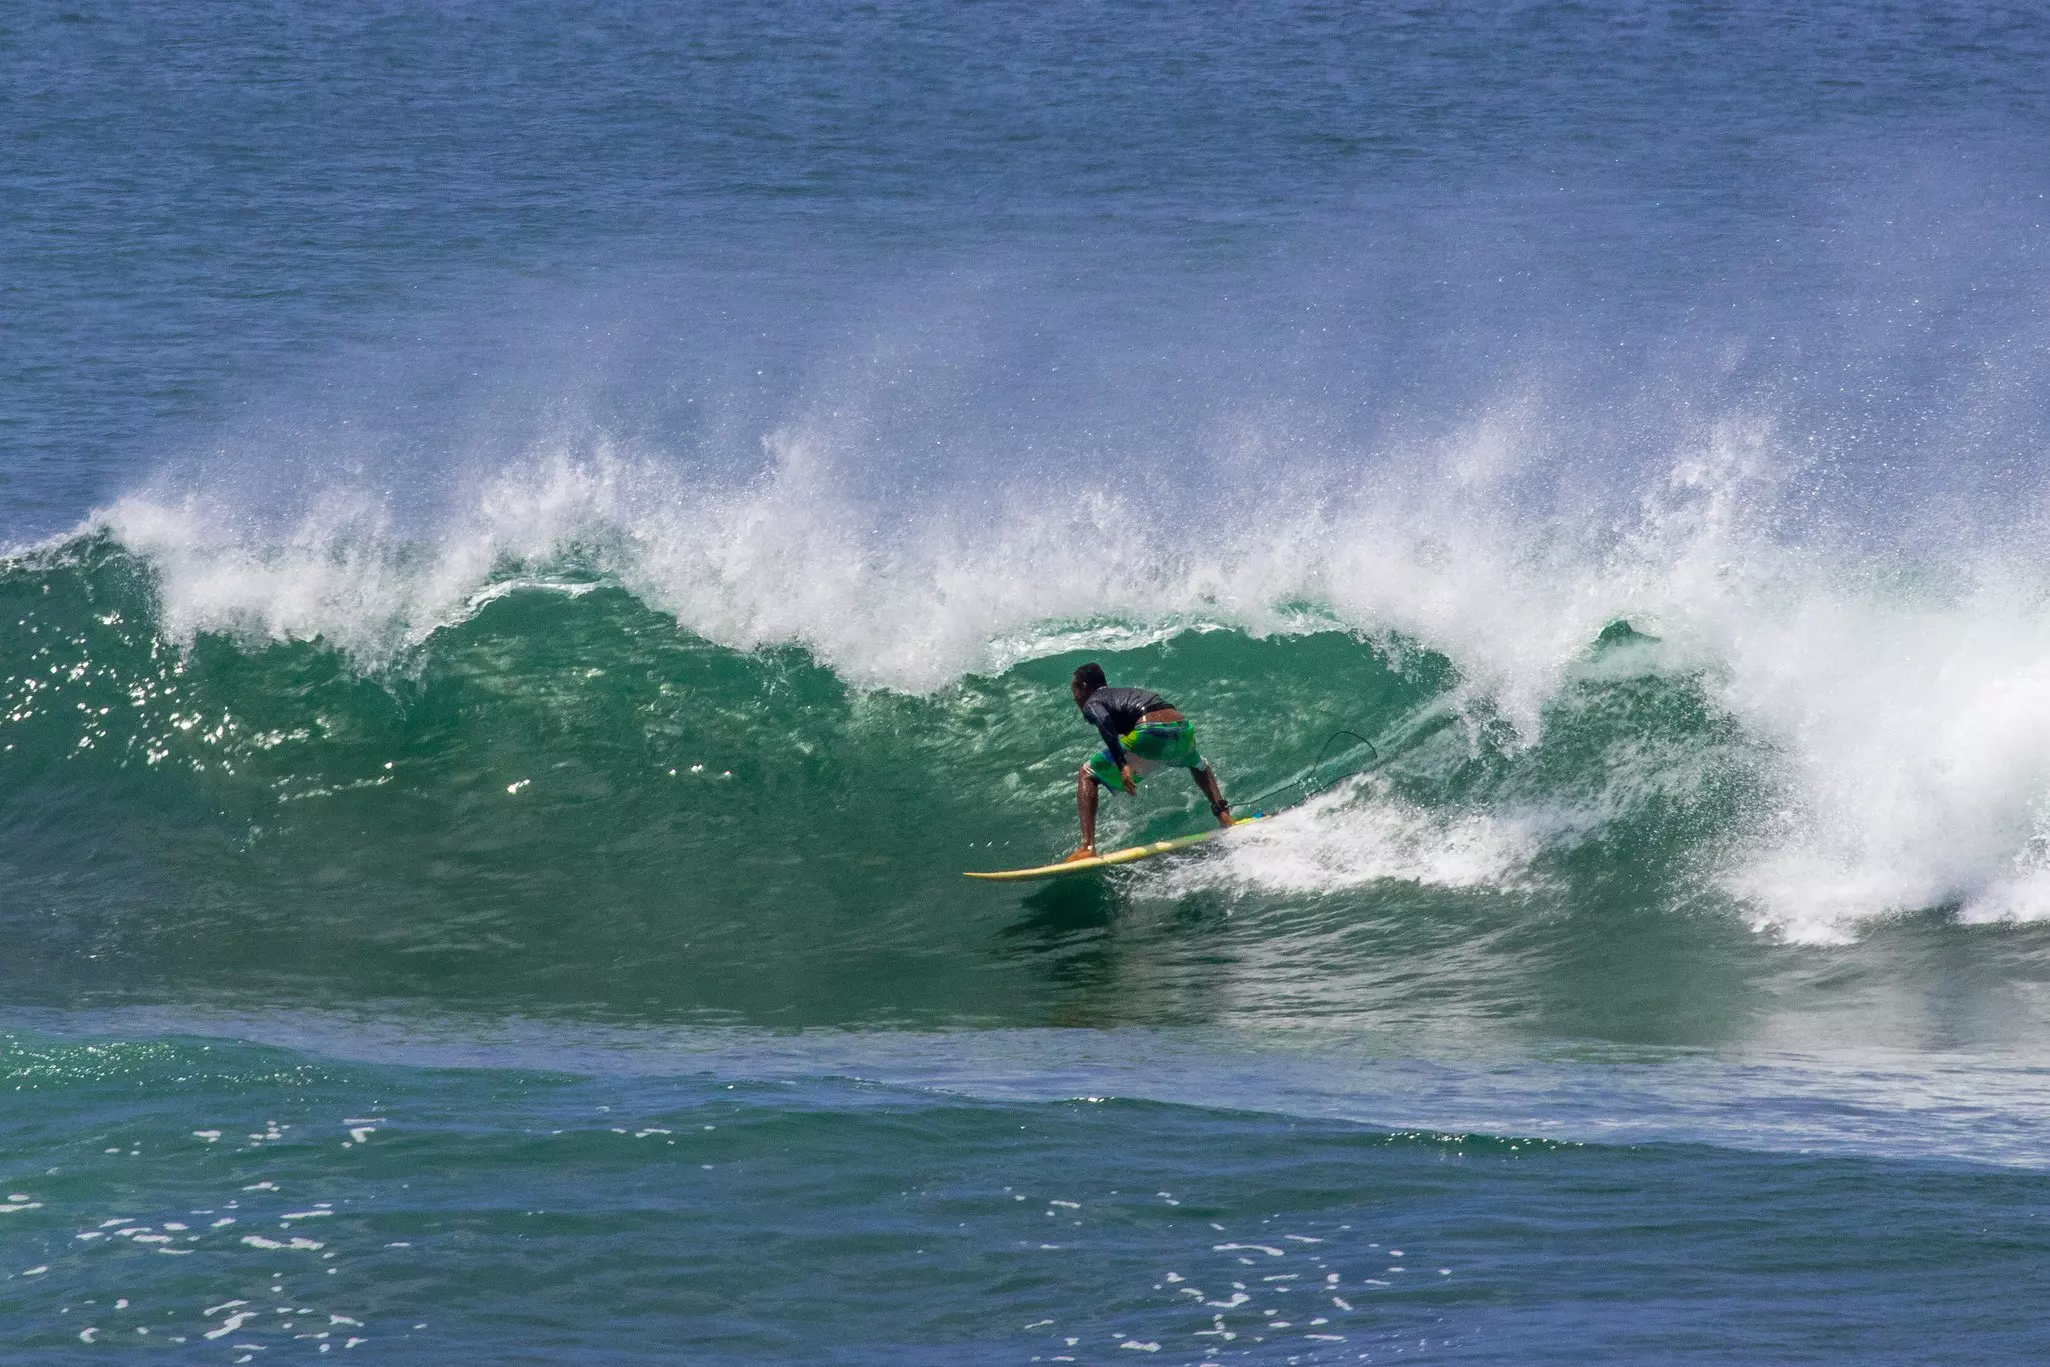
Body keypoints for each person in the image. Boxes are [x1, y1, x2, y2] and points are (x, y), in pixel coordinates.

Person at [1064, 661, 1233, 862]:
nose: (1075, 698)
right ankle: (1224, 816)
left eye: (1074, 690)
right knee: (1200, 765)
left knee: (1087, 773)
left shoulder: (1093, 702)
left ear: (1084, 687)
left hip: (1150, 732)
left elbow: (1104, 721)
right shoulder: (1125, 692)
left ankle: (1088, 846)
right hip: (1182, 728)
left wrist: (1122, 764)